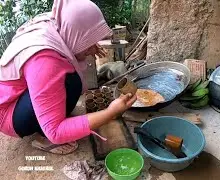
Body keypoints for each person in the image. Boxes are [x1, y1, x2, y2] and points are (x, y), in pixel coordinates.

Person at [0, 0, 137, 155]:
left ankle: (52, 115)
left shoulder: (57, 23)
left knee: (71, 79)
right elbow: (56, 132)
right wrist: (110, 112)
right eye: (88, 41)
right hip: (10, 115)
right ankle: (43, 137)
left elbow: (73, 39)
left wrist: (88, 45)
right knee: (70, 81)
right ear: (76, 35)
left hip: (19, 93)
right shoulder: (45, 60)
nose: (92, 47)